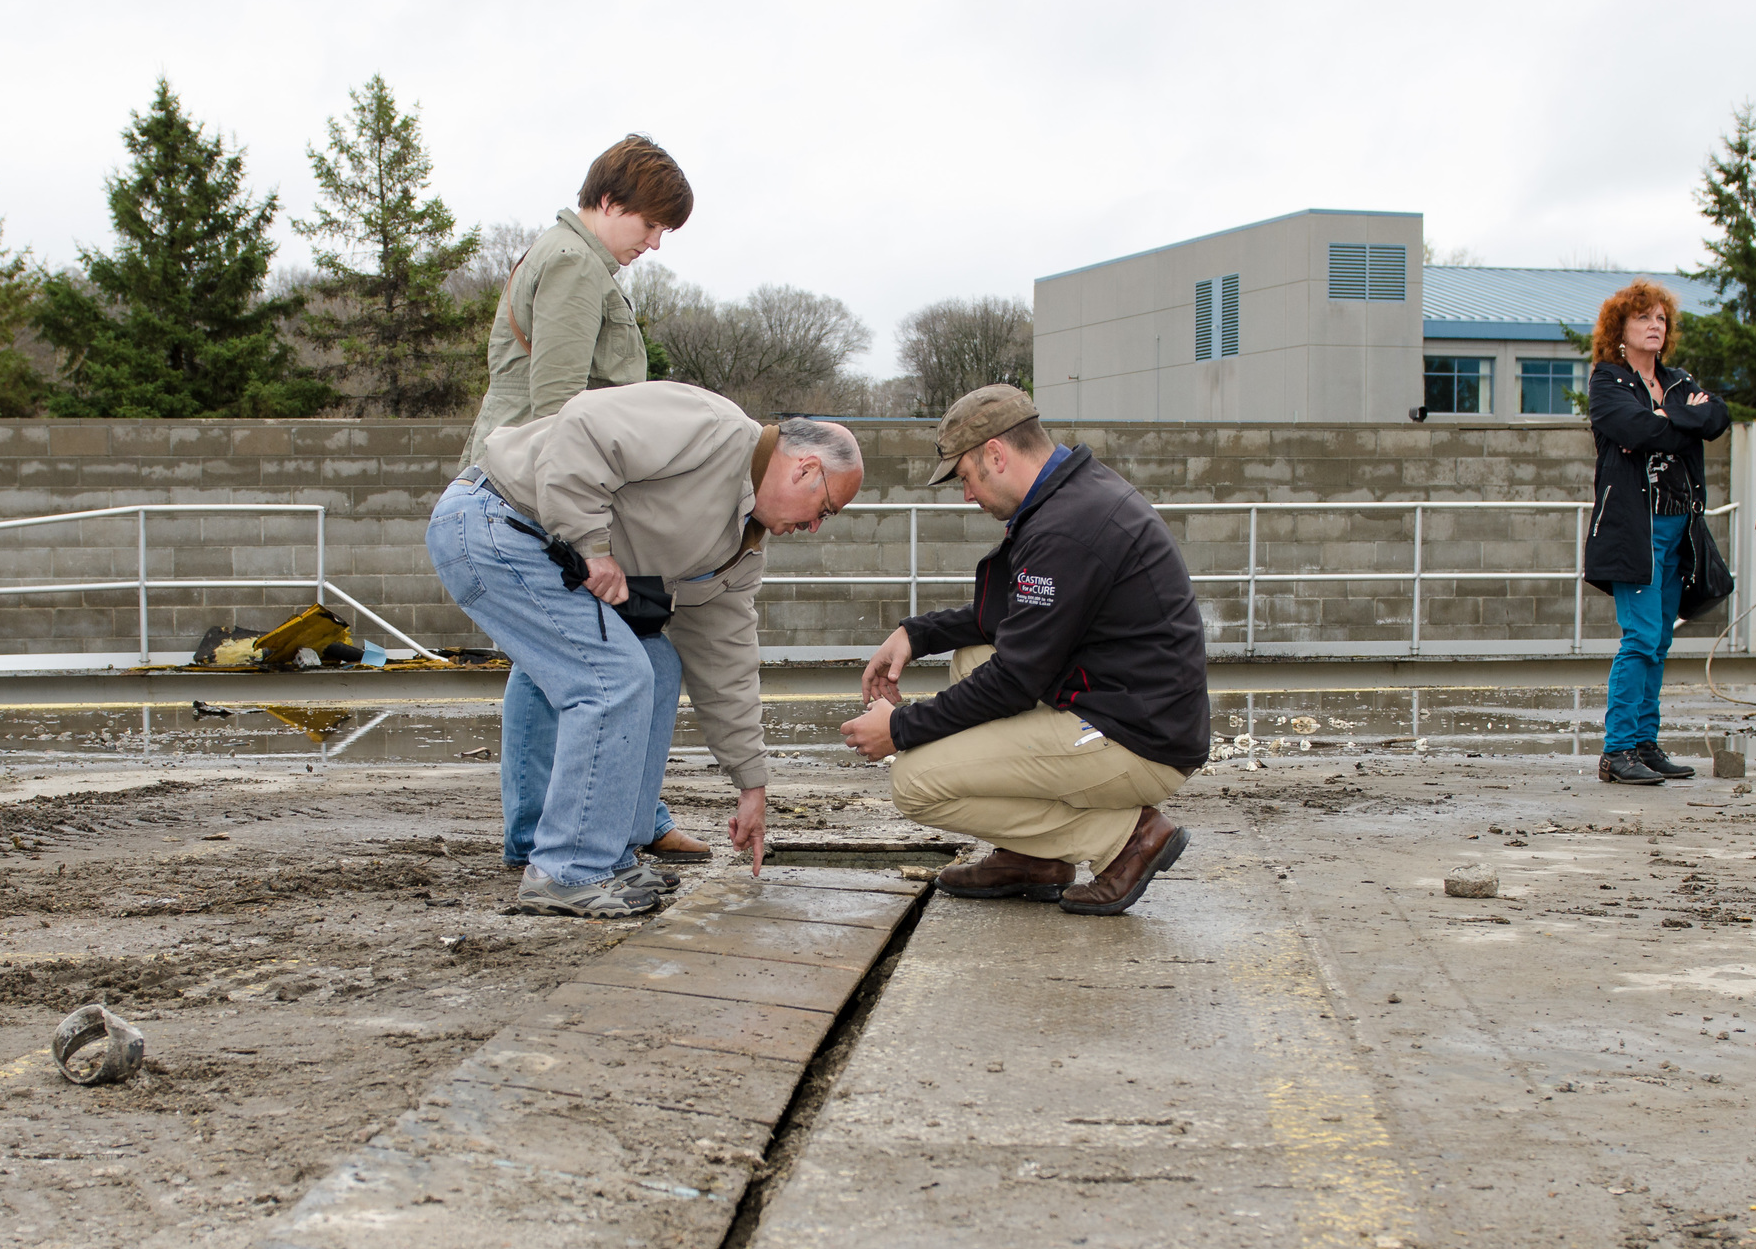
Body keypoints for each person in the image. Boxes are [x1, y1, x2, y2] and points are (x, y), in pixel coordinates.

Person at [431, 382, 861, 917]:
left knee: (655, 661)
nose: (814, 526)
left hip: (541, 550)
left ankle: (606, 853)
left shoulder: (741, 553)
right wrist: (591, 543)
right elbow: (583, 425)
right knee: (613, 676)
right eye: (825, 509)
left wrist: (752, 784)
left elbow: (726, 666)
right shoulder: (713, 426)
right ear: (806, 468)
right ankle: (568, 870)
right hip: (497, 521)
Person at [840, 386, 1209, 916]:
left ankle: (1127, 839)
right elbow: (1016, 620)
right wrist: (916, 634)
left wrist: (899, 728)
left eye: (965, 477)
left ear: (996, 454)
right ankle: (1034, 857)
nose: (967, 494)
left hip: (1139, 739)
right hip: (1128, 702)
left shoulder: (1067, 528)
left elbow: (1015, 679)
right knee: (970, 657)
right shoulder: (1073, 495)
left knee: (914, 782)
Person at [463, 134, 713, 865]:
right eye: (651, 224)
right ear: (609, 202)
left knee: (569, 658)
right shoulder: (574, 263)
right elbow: (560, 410)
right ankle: (571, 830)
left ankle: (610, 816)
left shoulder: (572, 258)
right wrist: (586, 529)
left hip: (541, 483)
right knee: (595, 658)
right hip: (543, 491)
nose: (657, 243)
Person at [1583, 278, 1731, 785]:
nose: (1655, 326)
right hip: (1634, 531)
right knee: (1641, 638)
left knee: (1661, 640)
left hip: (1678, 527)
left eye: (1661, 319)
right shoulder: (1608, 381)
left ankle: (1645, 743)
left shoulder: (1677, 379)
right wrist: (1675, 421)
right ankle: (1616, 750)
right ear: (1620, 329)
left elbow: (1716, 416)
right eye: (1644, 317)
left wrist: (1671, 414)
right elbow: (1635, 430)